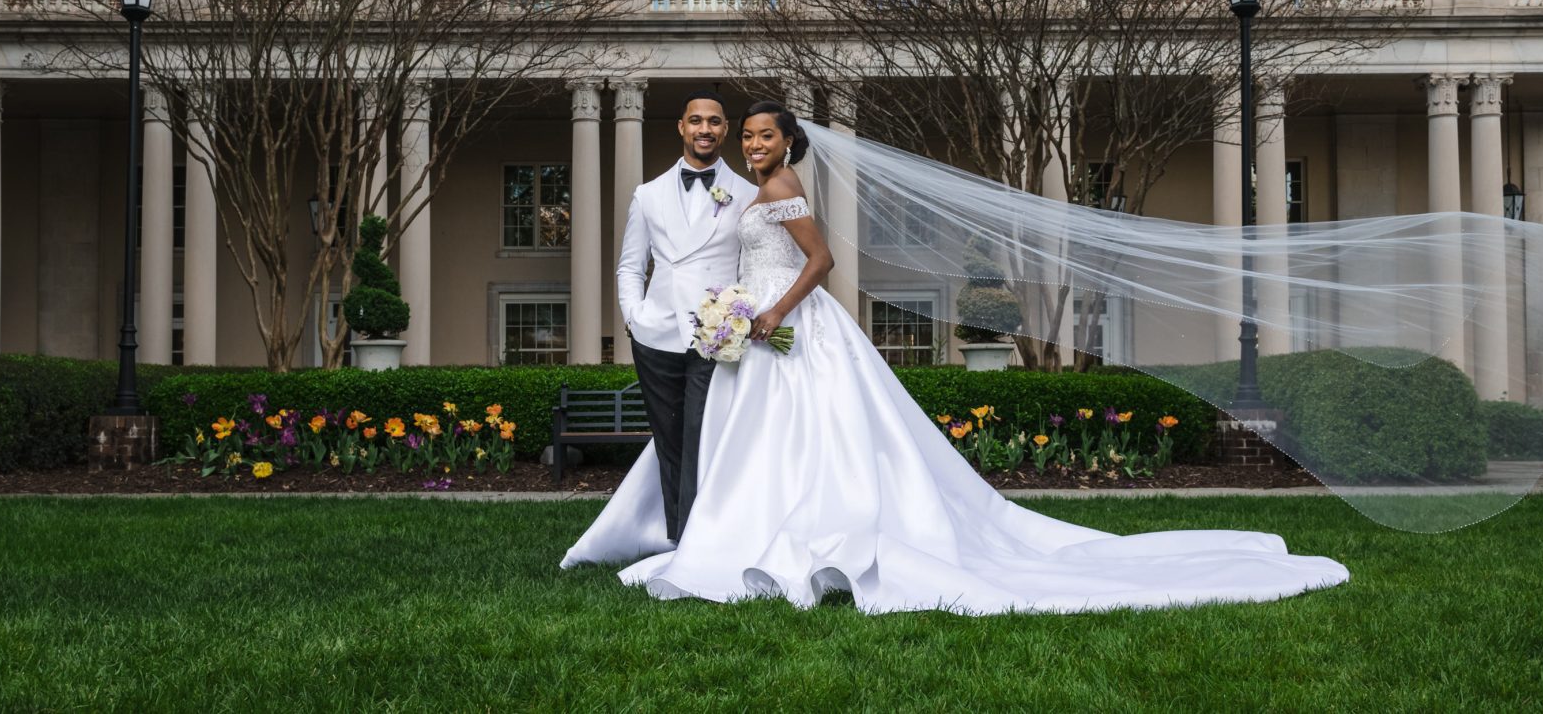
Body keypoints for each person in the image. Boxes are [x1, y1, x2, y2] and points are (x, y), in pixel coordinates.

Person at [567, 101, 1348, 615]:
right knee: (761, 444)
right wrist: (732, 312)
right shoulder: (742, 190)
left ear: (787, 142)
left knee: (814, 437)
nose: (750, 143)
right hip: (754, 335)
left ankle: (787, 541)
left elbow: (821, 261)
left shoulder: (779, 188)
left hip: (792, 328)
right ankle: (738, 534)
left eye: (760, 135)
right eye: (746, 136)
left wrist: (768, 309)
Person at [615, 91, 757, 543]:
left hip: (716, 340)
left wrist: (740, 321)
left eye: (714, 122)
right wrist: (633, 317)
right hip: (655, 336)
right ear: (681, 127)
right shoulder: (648, 194)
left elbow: (749, 268)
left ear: (724, 129)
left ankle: (706, 539)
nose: (704, 129)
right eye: (695, 120)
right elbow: (630, 266)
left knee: (703, 438)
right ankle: (679, 538)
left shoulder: (748, 194)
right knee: (669, 443)